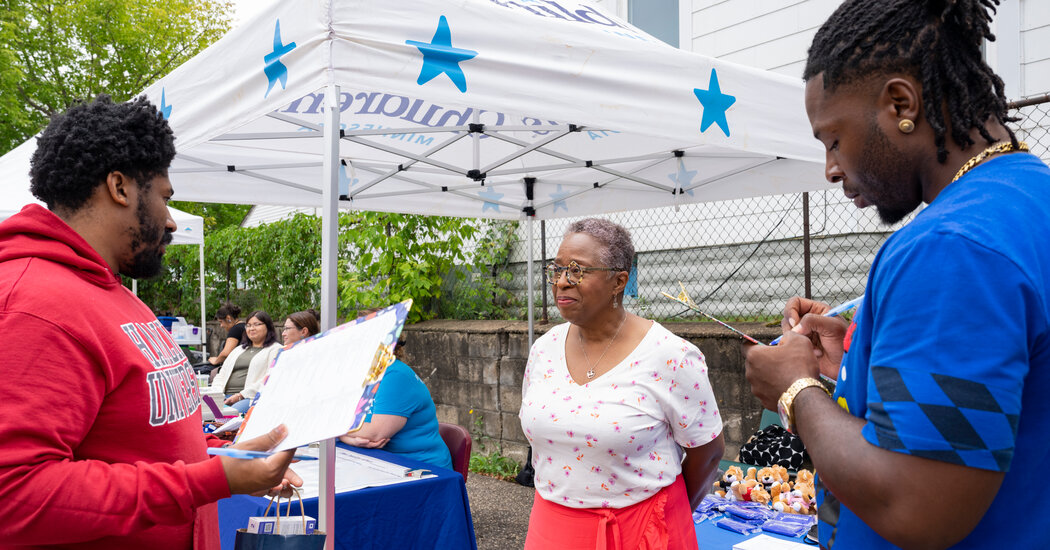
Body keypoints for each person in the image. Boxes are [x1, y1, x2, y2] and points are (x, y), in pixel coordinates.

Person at [743, 1, 1050, 548]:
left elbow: (916, 504)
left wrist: (796, 391)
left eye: (833, 139)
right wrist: (863, 360)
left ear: (901, 104)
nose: (831, 168)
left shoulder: (951, 245)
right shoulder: (1026, 198)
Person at [0, 95, 301, 549]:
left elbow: (138, 442)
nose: (172, 222)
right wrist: (208, 481)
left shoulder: (112, 291)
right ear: (119, 187)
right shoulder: (31, 305)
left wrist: (224, 462)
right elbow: (14, 495)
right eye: (165, 198)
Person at [519, 218, 725, 550]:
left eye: (577, 270)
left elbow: (708, 452)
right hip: (552, 529)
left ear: (618, 281)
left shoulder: (670, 356)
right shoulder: (544, 350)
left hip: (644, 532)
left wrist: (667, 513)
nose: (562, 282)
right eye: (556, 270)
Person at [339, 331, 453, 471]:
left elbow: (374, 434)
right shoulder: (365, 374)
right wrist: (347, 438)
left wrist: (337, 432)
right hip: (380, 463)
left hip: (421, 469)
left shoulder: (395, 375)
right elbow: (335, 416)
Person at [207, 310, 282, 414]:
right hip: (224, 396)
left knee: (226, 415)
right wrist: (217, 393)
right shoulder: (239, 350)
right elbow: (222, 374)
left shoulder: (276, 349)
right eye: (248, 325)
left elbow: (270, 378)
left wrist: (240, 395)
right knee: (204, 411)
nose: (251, 328)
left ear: (268, 327)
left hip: (249, 397)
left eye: (256, 324)